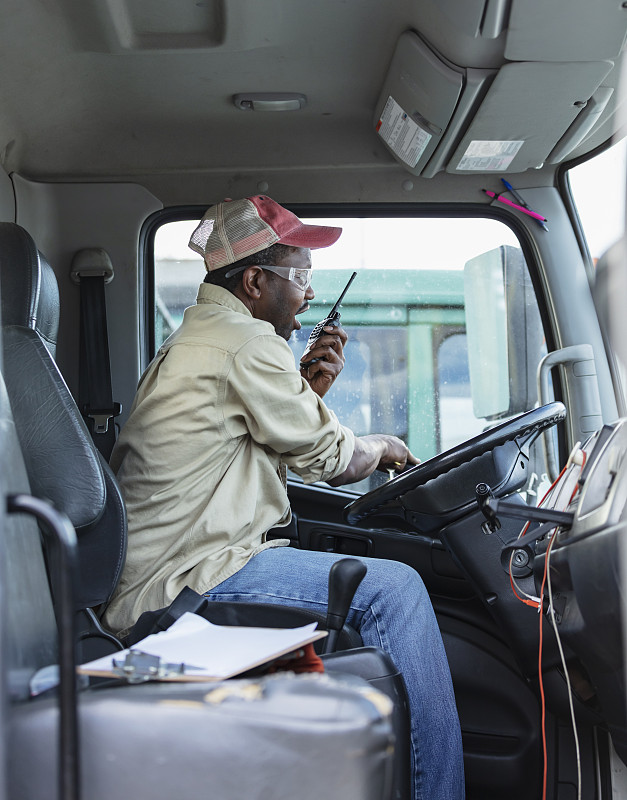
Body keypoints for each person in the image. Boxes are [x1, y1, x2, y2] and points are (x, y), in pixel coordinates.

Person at [103, 195, 464, 800]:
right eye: (301, 278)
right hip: (181, 584)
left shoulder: (205, 337)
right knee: (395, 591)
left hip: (167, 569)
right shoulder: (246, 344)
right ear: (253, 281)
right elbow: (335, 460)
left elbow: (249, 442)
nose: (309, 295)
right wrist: (391, 444)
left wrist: (306, 389)